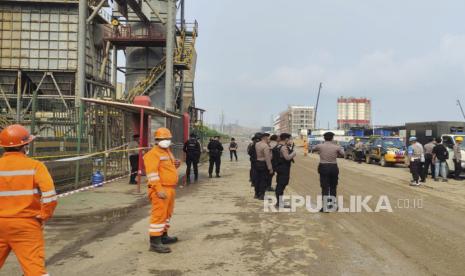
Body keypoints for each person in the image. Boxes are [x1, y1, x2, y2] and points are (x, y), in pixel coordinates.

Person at [0, 124, 58, 275]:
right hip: (26, 224)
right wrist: (45, 214)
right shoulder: (35, 166)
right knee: (34, 270)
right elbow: (50, 195)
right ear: (24, 145)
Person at [143, 127, 181, 253]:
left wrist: (175, 164)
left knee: (167, 214)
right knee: (159, 215)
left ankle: (163, 236)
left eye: (168, 138)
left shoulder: (167, 151)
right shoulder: (152, 154)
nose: (166, 140)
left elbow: (166, 168)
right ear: (157, 140)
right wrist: (159, 189)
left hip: (170, 188)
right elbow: (152, 174)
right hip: (160, 189)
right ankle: (154, 242)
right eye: (163, 139)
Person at [313, 132, 344, 212]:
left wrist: (320, 152)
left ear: (324, 138)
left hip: (323, 167)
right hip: (333, 167)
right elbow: (343, 154)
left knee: (325, 187)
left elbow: (313, 149)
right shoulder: (337, 147)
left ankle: (325, 207)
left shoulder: (320, 146)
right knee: (333, 187)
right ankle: (333, 205)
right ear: (332, 138)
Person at [274, 133, 296, 208]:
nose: (290, 140)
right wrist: (293, 153)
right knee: (281, 185)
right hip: (284, 168)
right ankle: (279, 203)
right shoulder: (283, 148)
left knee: (279, 184)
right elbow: (287, 158)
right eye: (290, 139)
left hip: (279, 168)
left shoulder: (277, 146)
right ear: (286, 139)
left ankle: (278, 202)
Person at [254, 133, 273, 200]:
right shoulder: (265, 146)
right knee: (263, 180)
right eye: (269, 138)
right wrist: (270, 168)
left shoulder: (257, 144)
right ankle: (262, 195)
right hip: (263, 164)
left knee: (257, 179)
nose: (269, 139)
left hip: (257, 162)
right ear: (265, 138)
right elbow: (267, 158)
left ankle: (256, 194)